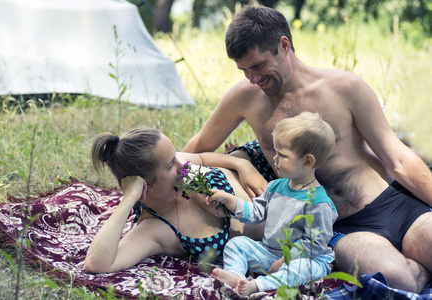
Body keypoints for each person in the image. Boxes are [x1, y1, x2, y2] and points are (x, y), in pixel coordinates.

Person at [183, 6, 432, 293]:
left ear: (284, 45)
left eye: (259, 66)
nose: (253, 79)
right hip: (341, 227)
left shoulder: (345, 88)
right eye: (244, 71)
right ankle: (420, 268)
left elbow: (398, 157)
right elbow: (195, 148)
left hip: (392, 205)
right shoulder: (245, 98)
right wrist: (241, 165)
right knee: (397, 279)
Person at [84, 128, 265, 273]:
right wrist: (127, 200)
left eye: (175, 156)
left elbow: (201, 158)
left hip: (265, 164)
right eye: (171, 165)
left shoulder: (175, 164)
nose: (183, 164)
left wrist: (242, 165)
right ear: (146, 186)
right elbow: (96, 263)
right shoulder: (155, 229)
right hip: (281, 214)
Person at [205, 112, 337, 295]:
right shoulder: (275, 187)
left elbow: (313, 245)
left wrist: (285, 260)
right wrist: (230, 200)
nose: (274, 159)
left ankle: (257, 286)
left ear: (307, 161)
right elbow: (256, 212)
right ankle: (235, 275)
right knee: (238, 244)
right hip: (269, 253)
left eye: (282, 155)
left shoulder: (319, 203)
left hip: (305, 259)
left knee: (300, 269)